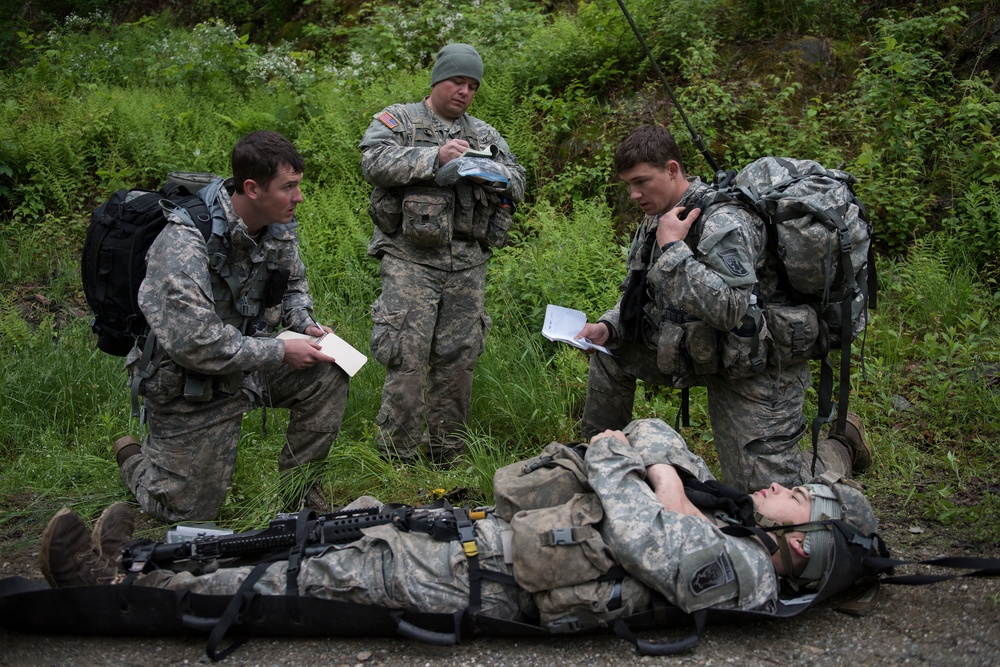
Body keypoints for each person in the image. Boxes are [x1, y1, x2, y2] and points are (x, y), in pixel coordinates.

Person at [39, 418, 877, 634]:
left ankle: (118, 586)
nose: (774, 484)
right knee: (347, 522)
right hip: (500, 533)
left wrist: (656, 479)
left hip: (494, 579)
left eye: (796, 495)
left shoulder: (741, 572)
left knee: (337, 571)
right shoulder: (730, 523)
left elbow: (631, 504)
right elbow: (651, 435)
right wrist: (669, 480)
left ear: (801, 544)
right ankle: (161, 549)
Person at [575, 125, 872, 492]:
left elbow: (731, 309)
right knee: (608, 351)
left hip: (753, 365)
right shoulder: (658, 217)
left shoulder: (722, 220)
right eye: (628, 185)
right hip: (699, 348)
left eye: (641, 182)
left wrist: (673, 251)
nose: (634, 194)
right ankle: (597, 461)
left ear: (672, 169)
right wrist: (610, 327)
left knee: (769, 498)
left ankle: (842, 445)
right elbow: (642, 294)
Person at [114, 130, 351, 522]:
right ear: (252, 188)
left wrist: (304, 324)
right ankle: (135, 462)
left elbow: (292, 285)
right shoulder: (184, 242)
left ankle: (299, 497)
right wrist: (280, 351)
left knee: (328, 371)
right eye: (288, 187)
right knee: (186, 513)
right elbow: (195, 343)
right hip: (188, 384)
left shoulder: (277, 228)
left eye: (298, 186)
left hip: (244, 368)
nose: (299, 197)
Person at [359, 43, 526, 465]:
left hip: (468, 263)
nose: (465, 91)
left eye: (472, 85)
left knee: (458, 360)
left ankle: (446, 451)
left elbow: (520, 178)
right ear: (437, 80)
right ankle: (396, 456)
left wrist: (495, 175)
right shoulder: (400, 120)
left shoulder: (484, 134)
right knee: (406, 356)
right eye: (457, 81)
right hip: (410, 261)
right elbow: (373, 161)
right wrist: (434, 157)